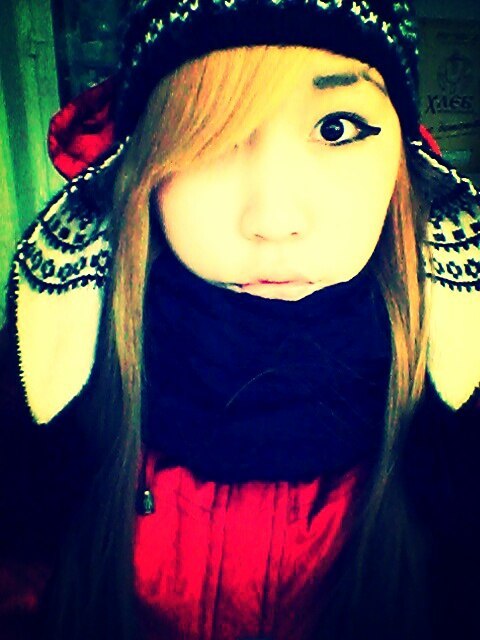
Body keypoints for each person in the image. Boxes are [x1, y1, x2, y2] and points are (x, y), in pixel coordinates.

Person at [1, 1, 479, 639]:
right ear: (143, 167)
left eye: (336, 128)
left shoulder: (462, 411)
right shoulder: (43, 389)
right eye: (211, 134)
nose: (274, 220)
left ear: (403, 157)